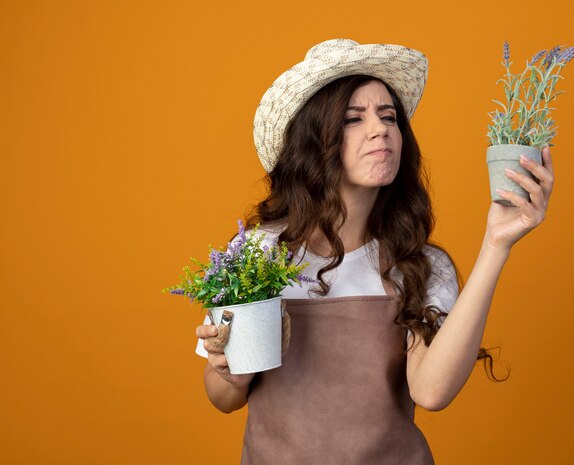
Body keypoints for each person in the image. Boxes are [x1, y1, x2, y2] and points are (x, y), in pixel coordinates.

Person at [195, 39, 554, 464]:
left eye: (389, 116)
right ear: (314, 142)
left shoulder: (421, 266)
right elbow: (223, 398)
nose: (380, 128)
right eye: (353, 118)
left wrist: (496, 244)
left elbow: (432, 392)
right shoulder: (258, 254)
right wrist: (228, 370)